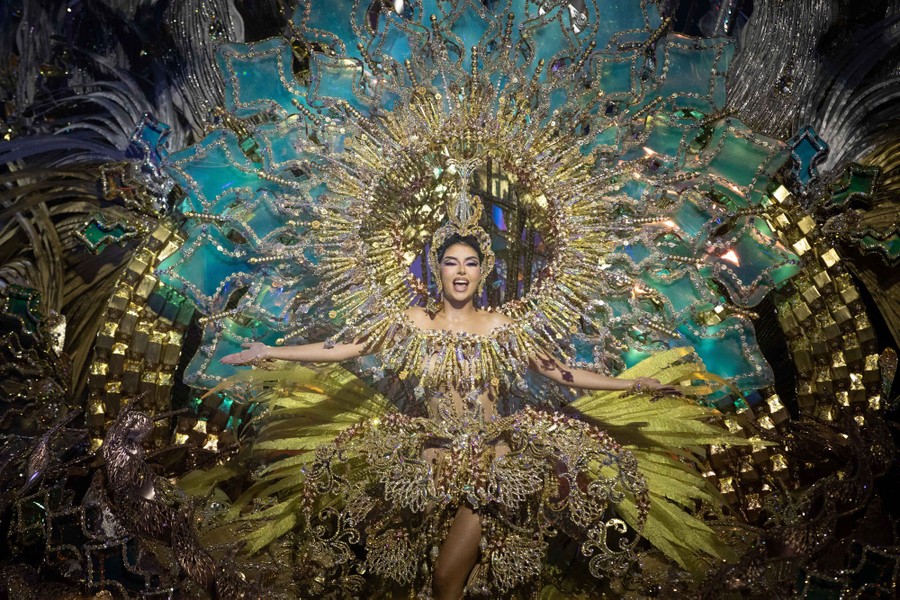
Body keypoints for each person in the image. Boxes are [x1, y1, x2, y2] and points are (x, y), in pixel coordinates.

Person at [220, 224, 681, 599]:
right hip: (430, 463)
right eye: (451, 262)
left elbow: (561, 373)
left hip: (491, 463)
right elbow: (346, 347)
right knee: (414, 581)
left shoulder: (502, 326)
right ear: (436, 270)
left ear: (484, 272)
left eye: (471, 263)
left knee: (444, 578)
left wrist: (630, 382)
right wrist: (274, 351)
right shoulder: (414, 322)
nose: (461, 272)